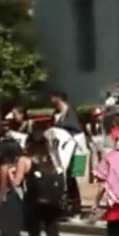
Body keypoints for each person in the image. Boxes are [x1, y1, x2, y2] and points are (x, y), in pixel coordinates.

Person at [10, 131, 76, 236]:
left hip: (33, 203)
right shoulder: (51, 159)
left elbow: (16, 183)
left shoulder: (24, 160)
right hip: (51, 204)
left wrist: (9, 173)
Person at [48, 90, 84, 220]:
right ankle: (65, 209)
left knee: (74, 179)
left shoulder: (71, 114)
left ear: (59, 98)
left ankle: (76, 210)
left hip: (76, 150)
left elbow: (76, 130)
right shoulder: (55, 115)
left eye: (52, 97)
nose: (50, 100)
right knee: (62, 180)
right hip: (60, 153)